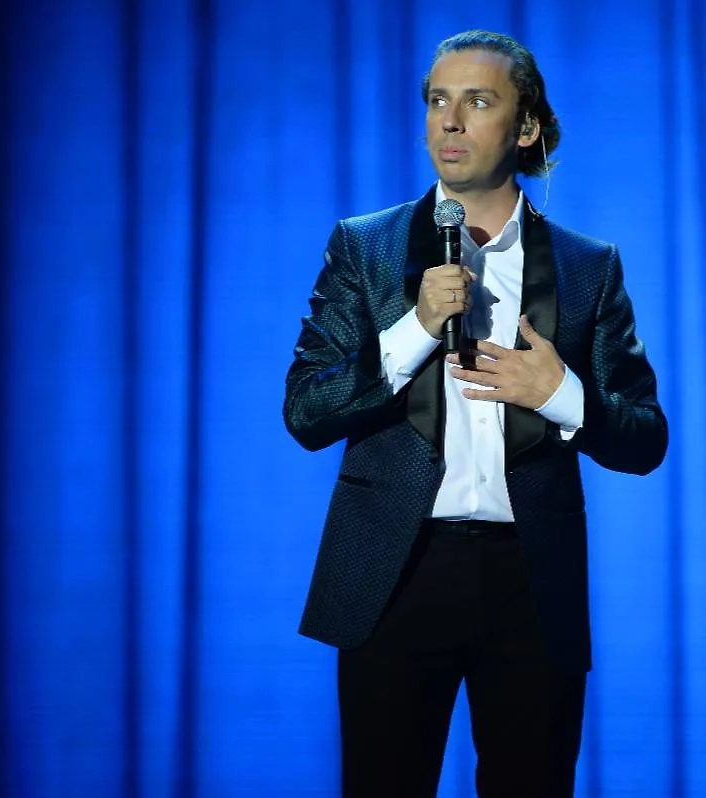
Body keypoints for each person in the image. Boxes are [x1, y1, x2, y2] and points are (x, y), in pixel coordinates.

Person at [284, 29, 667, 797]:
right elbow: (307, 409)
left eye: (477, 101)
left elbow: (643, 439)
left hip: (529, 577)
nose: (449, 121)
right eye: (437, 100)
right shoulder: (366, 248)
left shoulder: (587, 266)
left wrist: (558, 393)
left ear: (525, 127)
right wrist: (416, 327)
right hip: (395, 570)